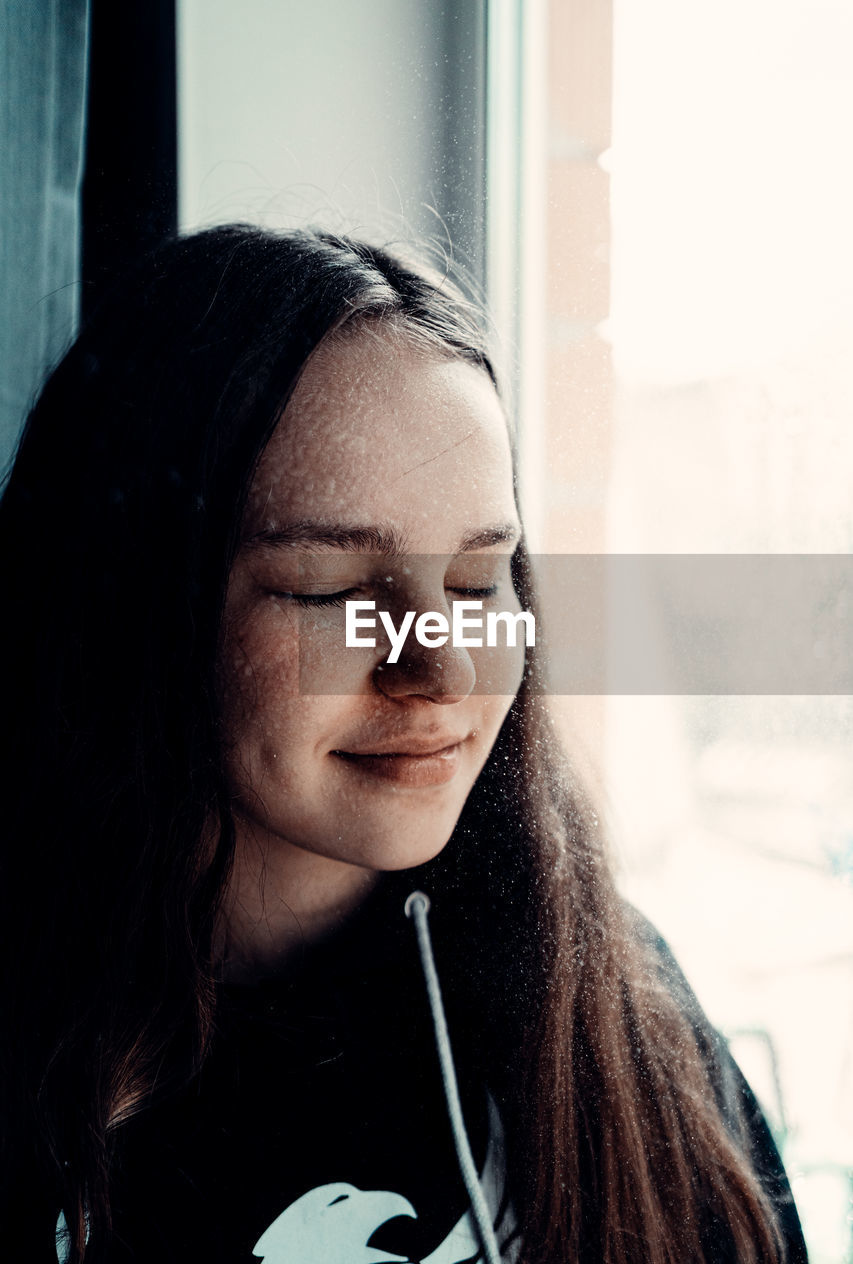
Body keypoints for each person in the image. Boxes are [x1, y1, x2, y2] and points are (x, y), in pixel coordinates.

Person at [0, 225, 807, 1264]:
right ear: (129, 605)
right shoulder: (35, 1068)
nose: (446, 671)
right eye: (332, 592)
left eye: (476, 583)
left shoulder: (607, 1000)